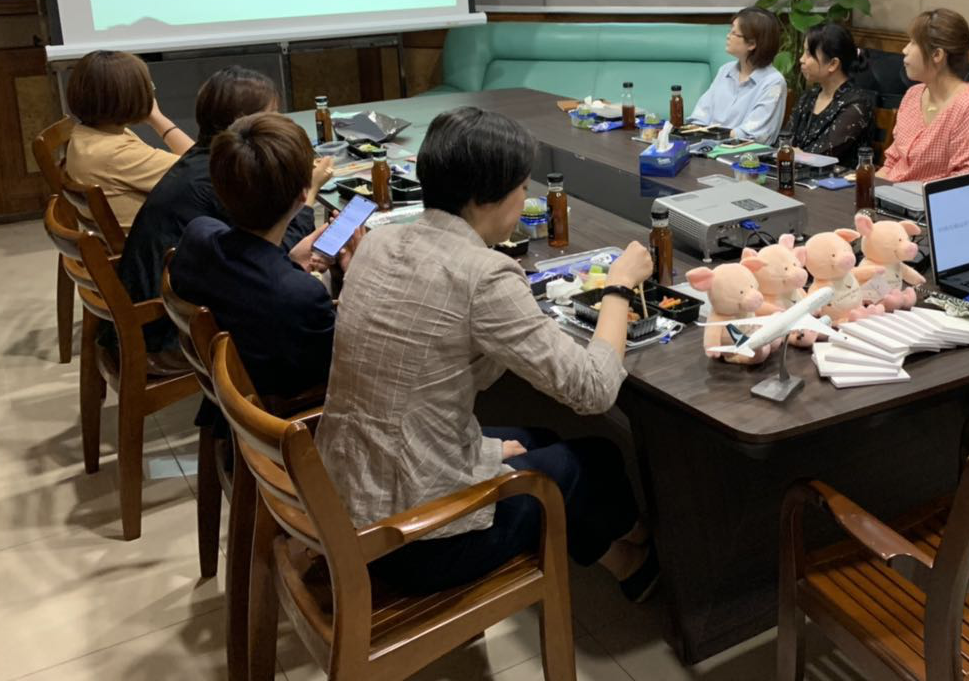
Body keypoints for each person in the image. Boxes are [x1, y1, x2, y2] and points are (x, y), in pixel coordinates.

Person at [316, 107, 659, 601]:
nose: (525, 198)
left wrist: (485, 452)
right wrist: (619, 287)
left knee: (542, 438)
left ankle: (624, 559)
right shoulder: (483, 275)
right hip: (414, 538)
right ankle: (643, 549)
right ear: (484, 198)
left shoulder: (379, 241)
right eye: (522, 188)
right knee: (595, 460)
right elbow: (595, 389)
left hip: (345, 497)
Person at [167, 113, 347, 408]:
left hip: (229, 397)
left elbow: (249, 275)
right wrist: (354, 275)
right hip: (287, 416)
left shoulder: (197, 235)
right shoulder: (300, 295)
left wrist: (288, 261)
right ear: (304, 195)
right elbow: (345, 367)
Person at [119, 67, 329, 305]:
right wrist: (309, 192)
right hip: (163, 311)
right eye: (272, 114)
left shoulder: (205, 158)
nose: (279, 121)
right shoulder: (224, 177)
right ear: (245, 122)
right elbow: (269, 255)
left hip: (167, 289)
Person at [64, 50, 194, 228]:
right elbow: (203, 168)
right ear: (131, 97)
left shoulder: (86, 134)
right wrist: (157, 118)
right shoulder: (117, 153)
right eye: (148, 88)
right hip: (158, 239)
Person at [877, 8, 969, 182]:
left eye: (913, 43)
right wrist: (869, 189)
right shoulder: (913, 94)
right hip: (891, 193)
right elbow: (892, 163)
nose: (905, 50)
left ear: (937, 55)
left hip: (929, 198)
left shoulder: (968, 105)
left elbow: (966, 178)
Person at [688, 6, 787, 144]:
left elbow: (753, 134)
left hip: (744, 154)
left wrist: (709, 135)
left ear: (751, 44)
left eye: (734, 33)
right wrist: (694, 130)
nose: (728, 36)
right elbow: (701, 115)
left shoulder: (773, 82)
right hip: (706, 147)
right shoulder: (725, 70)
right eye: (730, 30)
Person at [785, 22, 876, 167]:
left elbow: (821, 156)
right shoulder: (809, 96)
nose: (801, 59)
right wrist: (791, 153)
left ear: (833, 64)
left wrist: (794, 154)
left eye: (809, 54)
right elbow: (784, 142)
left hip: (836, 179)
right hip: (796, 173)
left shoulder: (857, 104)